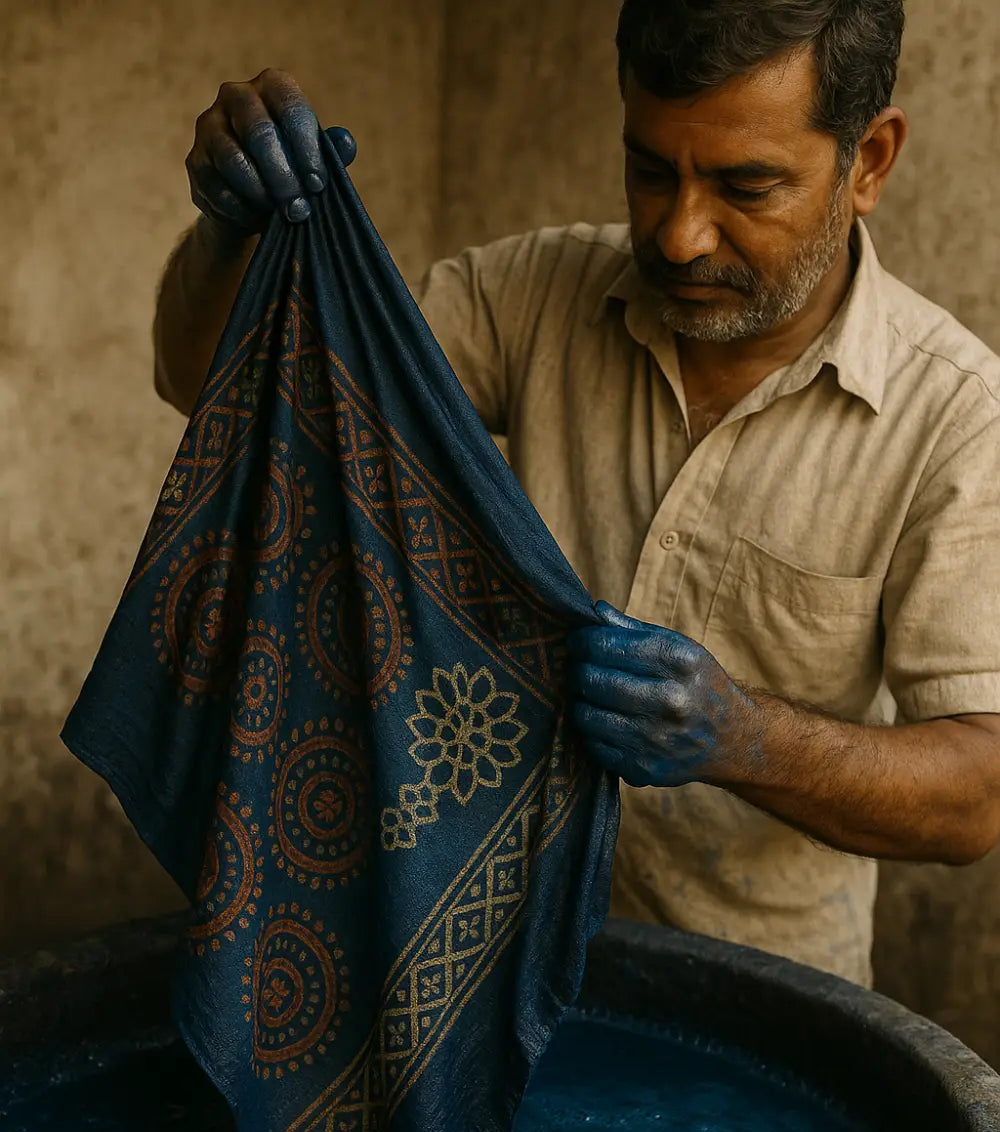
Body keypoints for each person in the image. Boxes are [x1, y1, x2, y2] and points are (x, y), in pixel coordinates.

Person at [153, 0, 1000, 990]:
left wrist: (747, 739)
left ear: (869, 162)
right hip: (477, 961)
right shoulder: (531, 294)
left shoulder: (956, 419)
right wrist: (230, 232)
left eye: (745, 185)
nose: (680, 236)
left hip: (751, 1004)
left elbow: (976, 797)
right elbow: (224, 390)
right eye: (651, 171)